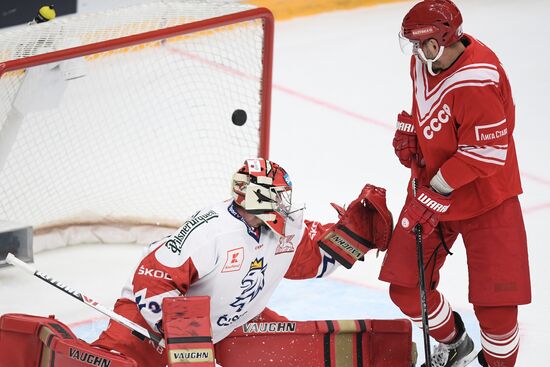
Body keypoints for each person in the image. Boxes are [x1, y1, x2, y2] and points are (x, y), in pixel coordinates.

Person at [92, 158, 392, 366]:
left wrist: (356, 236)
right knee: (114, 363)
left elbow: (311, 259)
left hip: (230, 318)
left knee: (291, 348)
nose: (284, 204)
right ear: (258, 197)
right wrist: (185, 342)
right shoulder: (211, 230)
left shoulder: (284, 227)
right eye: (277, 196)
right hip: (148, 322)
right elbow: (152, 278)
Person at [377, 1, 531, 366]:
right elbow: (429, 109)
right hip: (434, 191)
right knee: (405, 289)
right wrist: (412, 131)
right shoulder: (424, 61)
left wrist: (436, 190)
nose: (414, 51)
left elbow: (488, 153)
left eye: (419, 44)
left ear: (436, 43)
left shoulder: (478, 80)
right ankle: (455, 342)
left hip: (488, 198)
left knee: (497, 314)